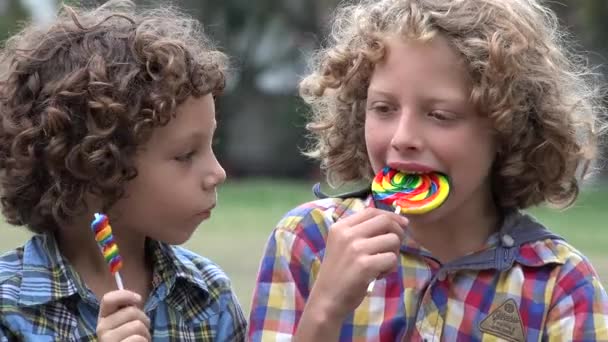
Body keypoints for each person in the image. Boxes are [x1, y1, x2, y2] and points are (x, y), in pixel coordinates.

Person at [248, 0, 608, 340]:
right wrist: (324, 311)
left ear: (507, 128)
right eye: (384, 108)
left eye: (440, 115)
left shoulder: (558, 285)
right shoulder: (309, 242)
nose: (403, 138)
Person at [0, 1, 246, 340]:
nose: (217, 173)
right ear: (96, 166)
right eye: (186, 155)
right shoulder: (9, 307)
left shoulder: (208, 297)